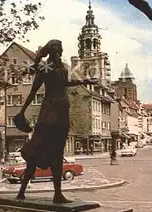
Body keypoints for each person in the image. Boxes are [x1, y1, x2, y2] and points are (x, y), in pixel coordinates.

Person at [13, 39, 99, 203]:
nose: (60, 53)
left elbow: (65, 83)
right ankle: (24, 191)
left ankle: (55, 193)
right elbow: (33, 91)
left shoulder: (62, 68)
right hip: (50, 111)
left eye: (61, 50)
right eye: (58, 50)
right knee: (40, 151)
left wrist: (84, 81)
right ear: (53, 51)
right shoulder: (45, 67)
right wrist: (22, 111)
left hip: (61, 110)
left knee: (56, 151)